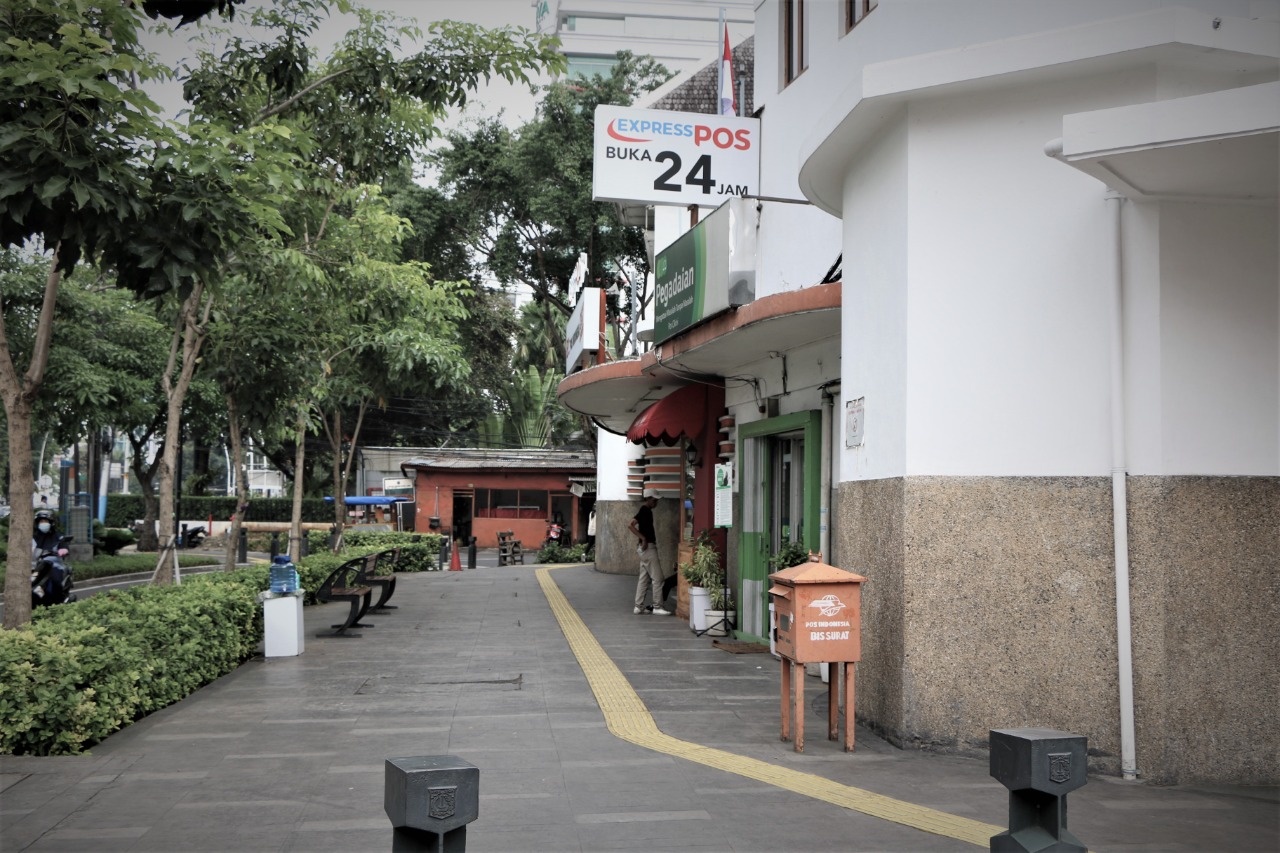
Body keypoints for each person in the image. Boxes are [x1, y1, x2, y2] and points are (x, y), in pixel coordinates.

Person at [629, 489, 669, 615]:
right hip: (648, 548)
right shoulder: (645, 510)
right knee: (658, 578)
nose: (656, 502)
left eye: (656, 500)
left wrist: (642, 539)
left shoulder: (645, 510)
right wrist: (644, 538)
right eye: (654, 500)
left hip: (644, 549)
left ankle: (638, 606)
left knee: (644, 578)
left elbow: (631, 524)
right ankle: (657, 606)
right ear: (648, 498)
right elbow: (630, 525)